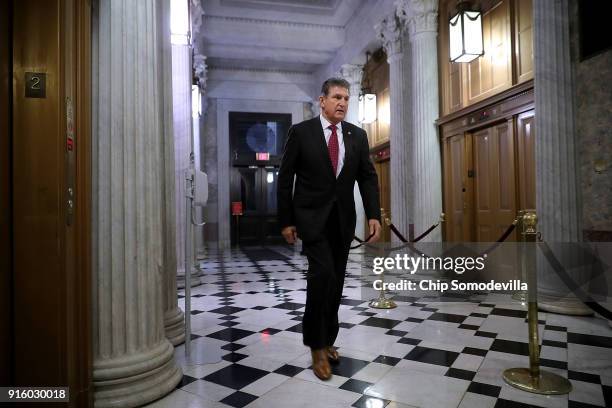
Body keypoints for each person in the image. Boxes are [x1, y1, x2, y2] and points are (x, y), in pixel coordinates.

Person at [277, 77, 382, 380]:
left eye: (347, 98)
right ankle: (316, 346)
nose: (342, 103)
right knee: (321, 276)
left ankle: (329, 338)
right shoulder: (301, 133)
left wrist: (373, 215)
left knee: (335, 283)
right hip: (311, 221)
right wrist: (286, 220)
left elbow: (367, 178)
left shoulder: (357, 136)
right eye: (336, 97)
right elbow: (285, 179)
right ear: (322, 101)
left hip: (343, 222)